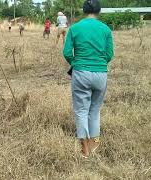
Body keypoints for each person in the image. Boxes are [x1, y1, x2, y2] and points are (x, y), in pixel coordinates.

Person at [63, 0, 114, 158]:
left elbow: (66, 52)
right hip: (100, 74)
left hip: (81, 73)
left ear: (84, 10)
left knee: (81, 110)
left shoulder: (75, 28)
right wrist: (98, 64)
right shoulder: (105, 29)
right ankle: (95, 141)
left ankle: (84, 148)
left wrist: (75, 63)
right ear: (98, 11)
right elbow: (109, 54)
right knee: (95, 110)